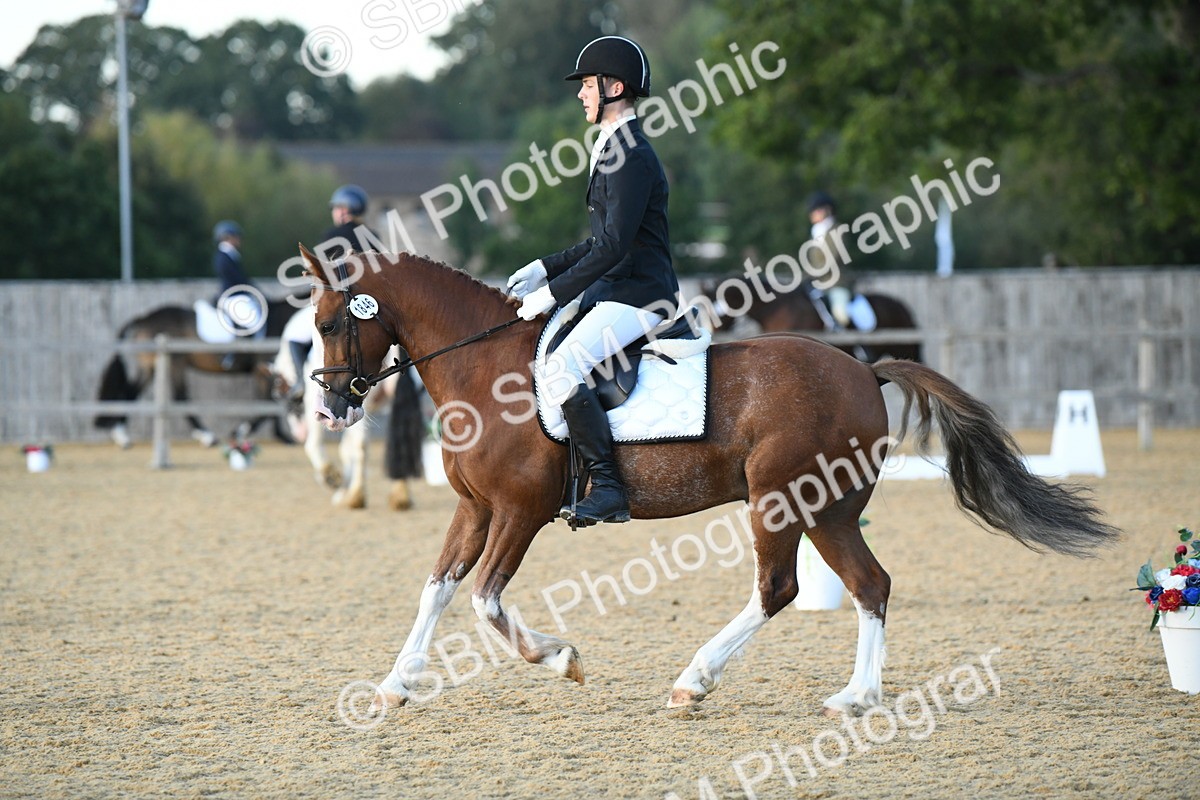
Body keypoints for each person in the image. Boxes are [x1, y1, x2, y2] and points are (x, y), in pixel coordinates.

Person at [507, 36, 679, 526]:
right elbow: (598, 241)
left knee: (561, 368)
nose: (581, 95)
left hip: (642, 297)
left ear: (614, 87)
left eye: (587, 85)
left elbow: (613, 248)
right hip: (616, 290)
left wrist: (551, 295)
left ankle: (607, 486)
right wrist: (545, 267)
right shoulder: (612, 149)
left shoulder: (631, 154)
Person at [804, 191, 853, 328]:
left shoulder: (838, 230)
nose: (812, 214)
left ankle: (856, 345)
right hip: (816, 285)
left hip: (836, 283)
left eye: (816, 210)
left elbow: (833, 258)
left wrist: (812, 273)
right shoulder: (815, 232)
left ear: (828, 210)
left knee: (841, 315)